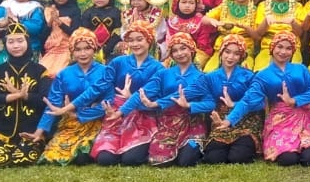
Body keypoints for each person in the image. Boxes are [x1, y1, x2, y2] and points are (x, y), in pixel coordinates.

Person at [217, 30, 310, 166]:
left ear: (293, 51)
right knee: (288, 160)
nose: (283, 52)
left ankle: (308, 147)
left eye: (288, 48)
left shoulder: (300, 69)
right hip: (280, 120)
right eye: (279, 47)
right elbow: (248, 100)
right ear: (272, 48)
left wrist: (295, 101)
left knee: (309, 158)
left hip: (303, 118)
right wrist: (229, 120)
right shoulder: (263, 75)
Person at [68, 22, 165, 166]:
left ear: (148, 40)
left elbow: (158, 103)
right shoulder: (118, 62)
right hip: (115, 117)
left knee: (130, 160)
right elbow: (99, 87)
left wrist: (132, 98)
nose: (135, 44)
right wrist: (72, 106)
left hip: (143, 118)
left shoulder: (158, 68)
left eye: (139, 39)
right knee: (105, 160)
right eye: (131, 40)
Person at [0, 23, 48, 168]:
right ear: (5, 45)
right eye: (11, 42)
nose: (16, 46)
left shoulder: (40, 71)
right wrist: (13, 96)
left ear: (27, 43)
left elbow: (45, 100)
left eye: (20, 41)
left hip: (30, 130)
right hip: (4, 131)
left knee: (24, 159)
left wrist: (25, 96)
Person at [127, 32, 209, 167]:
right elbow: (151, 100)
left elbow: (210, 103)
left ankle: (192, 148)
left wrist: (190, 105)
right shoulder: (163, 74)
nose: (179, 53)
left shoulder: (202, 77)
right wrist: (134, 100)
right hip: (167, 125)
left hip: (191, 124)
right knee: (158, 162)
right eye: (175, 50)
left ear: (192, 50)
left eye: (183, 48)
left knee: (186, 161)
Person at [193, 33, 260, 164]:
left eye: (236, 53)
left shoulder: (249, 76)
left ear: (242, 56)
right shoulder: (210, 77)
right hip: (220, 120)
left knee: (238, 158)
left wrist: (234, 104)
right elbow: (208, 101)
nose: (230, 57)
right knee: (213, 158)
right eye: (227, 52)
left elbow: (259, 103)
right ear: (221, 52)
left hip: (246, 119)